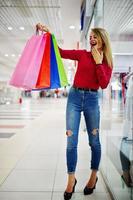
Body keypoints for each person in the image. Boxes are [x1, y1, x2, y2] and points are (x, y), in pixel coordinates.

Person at [36, 23, 113, 200]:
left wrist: (99, 62)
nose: (91, 39)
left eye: (95, 36)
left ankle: (93, 177)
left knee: (94, 142)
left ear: (102, 40)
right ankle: (71, 179)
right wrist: (50, 35)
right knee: (71, 141)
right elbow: (61, 52)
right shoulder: (82, 55)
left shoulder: (107, 62)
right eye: (91, 36)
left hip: (92, 100)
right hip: (74, 98)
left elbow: (103, 84)